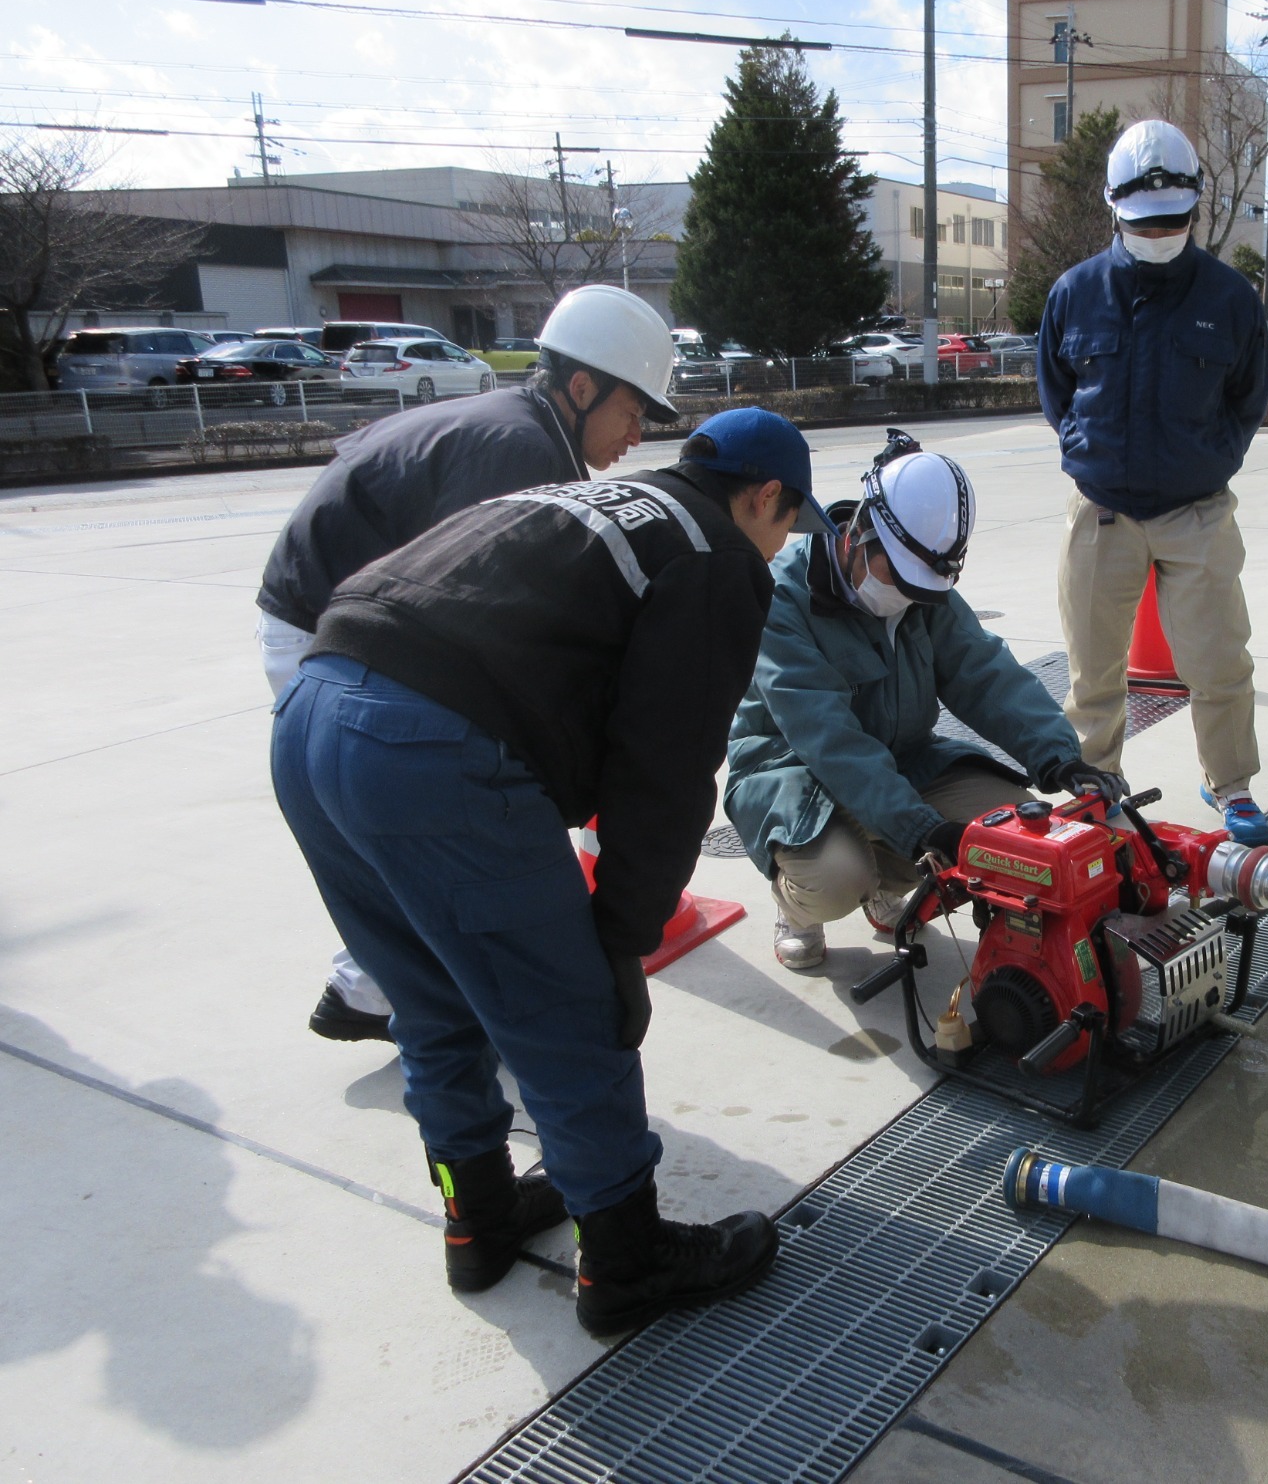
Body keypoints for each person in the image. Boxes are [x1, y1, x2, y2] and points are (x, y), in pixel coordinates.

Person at [269, 407, 835, 1333]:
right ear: (763, 495)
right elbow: (665, 770)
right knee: (569, 1015)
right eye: (786, 526)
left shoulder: (591, 500)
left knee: (429, 998)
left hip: (312, 713)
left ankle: (478, 1217)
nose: (780, 549)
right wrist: (620, 942)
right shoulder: (714, 553)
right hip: (426, 749)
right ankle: (624, 1259)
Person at [256, 284, 672, 1045]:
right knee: (429, 827)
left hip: (328, 618)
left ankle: (368, 988)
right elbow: (484, 612)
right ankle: (387, 996)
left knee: (403, 834)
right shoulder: (520, 453)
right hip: (328, 635)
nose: (637, 435)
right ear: (582, 388)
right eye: (633, 411)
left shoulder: (521, 428)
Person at [726, 430, 1126, 971]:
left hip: (902, 758)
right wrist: (921, 829)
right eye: (897, 576)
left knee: (1007, 831)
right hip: (793, 772)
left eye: (919, 587)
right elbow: (828, 740)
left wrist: (1059, 756)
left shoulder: (923, 585)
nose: (905, 595)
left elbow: (984, 673)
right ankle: (799, 909)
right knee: (837, 877)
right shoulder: (781, 598)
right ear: (860, 532)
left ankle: (883, 881)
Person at [1036, 119, 1268, 845]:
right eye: (1146, 221)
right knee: (1092, 668)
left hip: (1196, 512)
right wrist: (1088, 450)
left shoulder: (1230, 298)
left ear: (1196, 205)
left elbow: (1248, 399)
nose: (1160, 232)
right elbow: (1056, 391)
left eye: (1173, 219)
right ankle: (1094, 788)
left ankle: (1230, 783)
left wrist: (1210, 461)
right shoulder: (1075, 293)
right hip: (1102, 508)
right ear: (1114, 207)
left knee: (1219, 659)